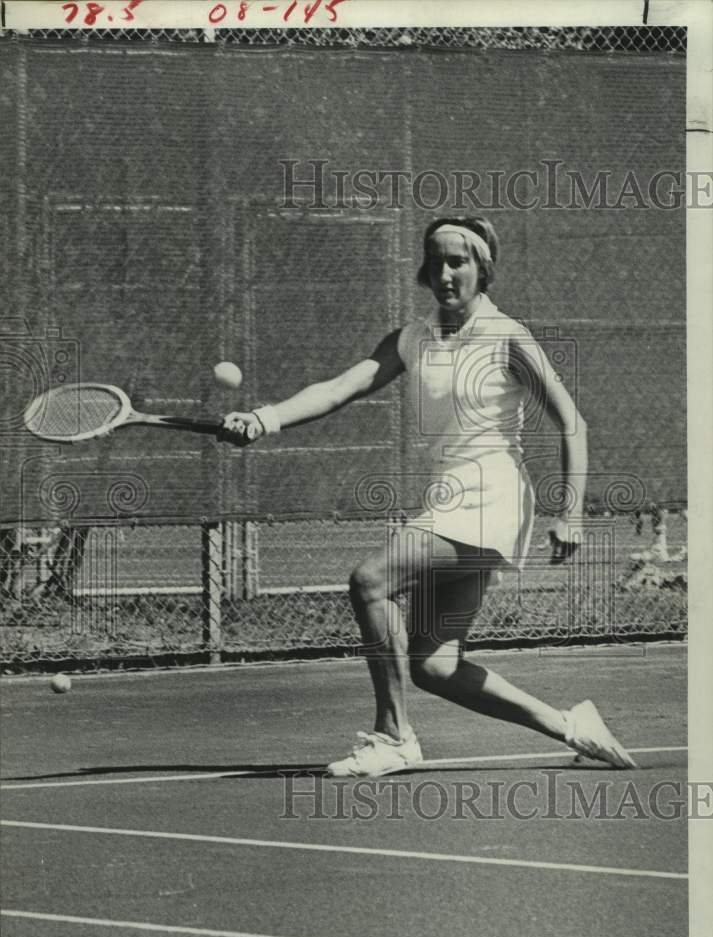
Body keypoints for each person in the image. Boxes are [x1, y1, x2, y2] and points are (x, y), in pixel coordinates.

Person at [221, 216, 636, 777]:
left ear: (482, 268)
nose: (445, 273)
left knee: (371, 580)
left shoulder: (507, 336)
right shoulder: (412, 338)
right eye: (436, 260)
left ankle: (393, 736)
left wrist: (574, 513)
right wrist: (263, 419)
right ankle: (572, 726)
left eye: (458, 261)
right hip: (449, 500)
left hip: (492, 497)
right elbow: (342, 387)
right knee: (434, 666)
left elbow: (572, 422)